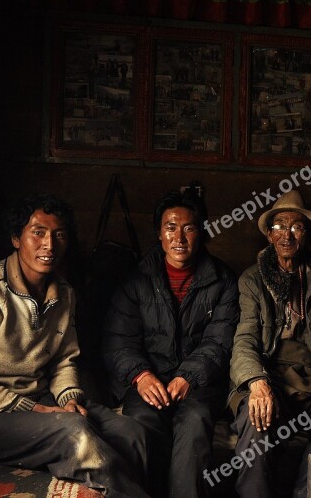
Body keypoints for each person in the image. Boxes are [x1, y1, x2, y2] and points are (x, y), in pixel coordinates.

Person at [0, 195, 149, 497]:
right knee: (73, 432)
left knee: (131, 432)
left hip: (37, 400)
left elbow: (64, 361)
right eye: (37, 232)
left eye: (58, 234)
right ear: (16, 238)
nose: (49, 244)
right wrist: (39, 409)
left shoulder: (64, 293)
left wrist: (68, 398)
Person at [102, 190, 239, 497]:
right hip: (150, 379)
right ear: (159, 235)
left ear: (201, 232)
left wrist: (189, 375)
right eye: (170, 227)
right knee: (142, 422)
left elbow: (221, 339)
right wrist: (141, 376)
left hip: (200, 383)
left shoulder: (223, 280)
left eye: (189, 228)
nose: (180, 237)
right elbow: (118, 340)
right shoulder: (136, 280)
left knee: (194, 423)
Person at [229, 190, 311, 498]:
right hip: (269, 374)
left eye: (296, 226)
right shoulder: (252, 280)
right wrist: (256, 382)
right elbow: (245, 337)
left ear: (307, 234)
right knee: (256, 421)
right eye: (279, 226)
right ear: (268, 235)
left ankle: (306, 494)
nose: (286, 234)